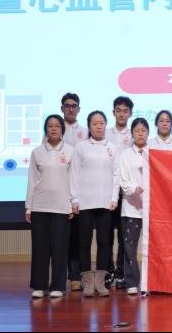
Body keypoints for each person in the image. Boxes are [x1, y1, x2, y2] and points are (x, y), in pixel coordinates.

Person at [69, 111, 120, 297]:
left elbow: (116, 174)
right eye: (95, 123)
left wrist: (114, 198)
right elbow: (73, 174)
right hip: (84, 202)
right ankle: (88, 283)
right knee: (84, 242)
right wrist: (74, 199)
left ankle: (100, 282)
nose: (99, 126)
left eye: (101, 123)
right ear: (89, 126)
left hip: (105, 202)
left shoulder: (112, 148)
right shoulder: (81, 147)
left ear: (106, 124)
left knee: (104, 242)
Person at [26, 115, 74, 299]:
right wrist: (29, 206)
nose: (53, 129)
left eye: (57, 126)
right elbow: (32, 180)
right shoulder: (37, 152)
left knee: (60, 248)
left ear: (62, 129)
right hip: (40, 205)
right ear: (45, 129)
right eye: (50, 126)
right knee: (40, 248)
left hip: (62, 206)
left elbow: (74, 180)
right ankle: (39, 285)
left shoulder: (70, 151)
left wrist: (73, 202)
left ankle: (58, 286)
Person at [119, 118, 150, 295]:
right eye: (137, 130)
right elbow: (122, 180)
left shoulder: (153, 153)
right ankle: (131, 282)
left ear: (148, 133)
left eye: (143, 130)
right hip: (131, 207)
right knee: (130, 247)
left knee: (152, 247)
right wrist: (133, 188)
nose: (140, 133)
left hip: (151, 208)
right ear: (132, 133)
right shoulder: (125, 155)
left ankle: (150, 281)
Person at [105, 96, 134, 289]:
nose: (122, 114)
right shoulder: (105, 133)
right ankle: (108, 272)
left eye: (125, 111)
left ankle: (122, 273)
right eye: (118, 110)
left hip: (127, 194)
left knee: (125, 236)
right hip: (107, 192)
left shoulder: (135, 134)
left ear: (130, 113)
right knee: (106, 235)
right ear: (113, 112)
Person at [59, 92, 87, 292]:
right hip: (59, 190)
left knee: (78, 235)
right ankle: (60, 277)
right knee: (61, 237)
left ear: (79, 109)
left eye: (74, 106)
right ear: (62, 108)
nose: (70, 109)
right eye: (67, 106)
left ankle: (76, 276)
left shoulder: (85, 132)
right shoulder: (54, 129)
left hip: (79, 190)